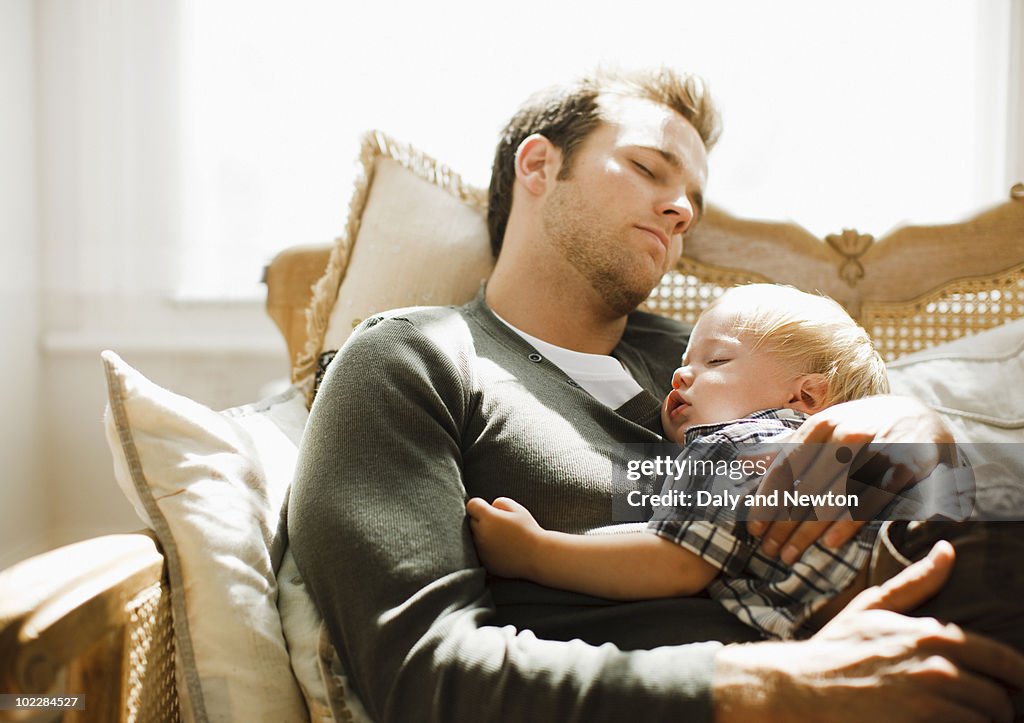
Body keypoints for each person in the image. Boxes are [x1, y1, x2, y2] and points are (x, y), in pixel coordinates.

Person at [288, 68, 1024, 722]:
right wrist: (771, 685)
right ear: (540, 164)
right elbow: (423, 674)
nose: (680, 210)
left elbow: (918, 490)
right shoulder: (416, 357)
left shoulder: (719, 352)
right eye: (647, 168)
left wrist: (911, 423)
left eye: (692, 201)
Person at [466, 283, 978, 641]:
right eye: (684, 363)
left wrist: (536, 552)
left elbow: (674, 563)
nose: (680, 377)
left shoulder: (741, 442)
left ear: (807, 397)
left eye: (716, 362)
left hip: (930, 579)